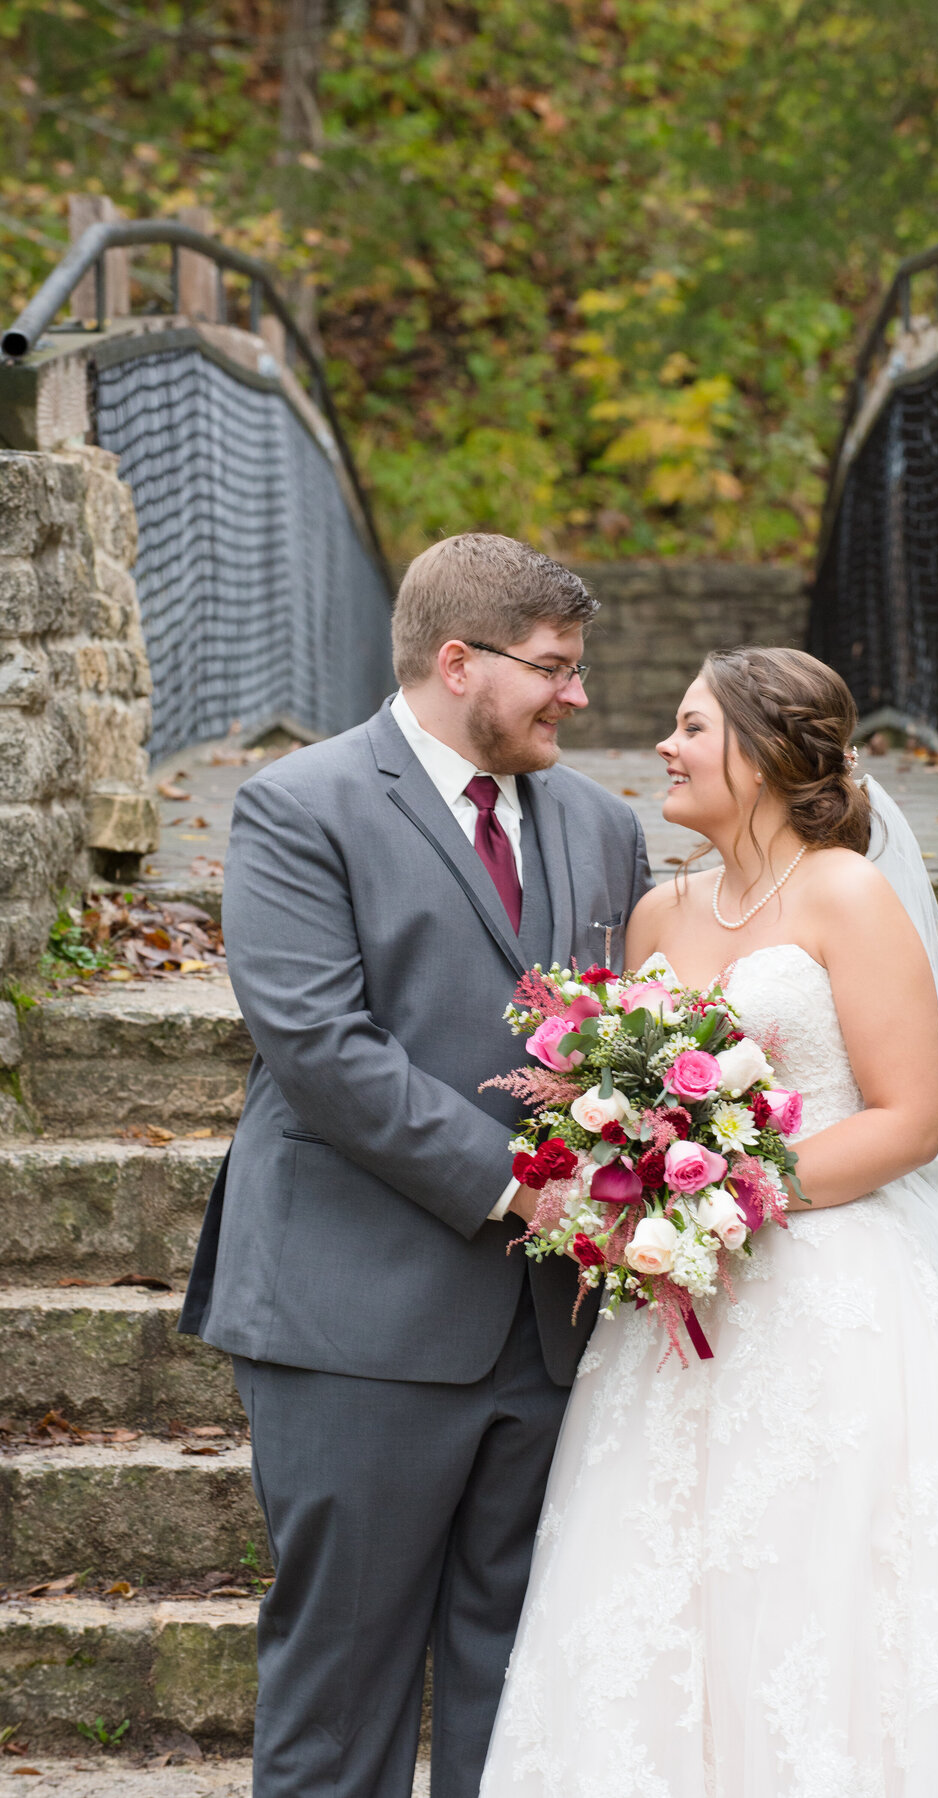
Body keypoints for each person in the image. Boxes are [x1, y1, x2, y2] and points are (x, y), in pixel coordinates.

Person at [479, 645, 938, 1797]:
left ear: (763, 755)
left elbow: (910, 1118)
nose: (665, 746)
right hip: (680, 1309)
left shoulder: (844, 893)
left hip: (830, 1291)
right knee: (668, 1591)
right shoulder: (658, 911)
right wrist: (644, 1191)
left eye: (691, 726)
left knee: (841, 1593)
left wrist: (729, 1193)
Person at [179, 533, 653, 1798]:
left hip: (551, 1328)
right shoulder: (302, 805)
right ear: (459, 662)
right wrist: (522, 1183)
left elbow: (632, 1040)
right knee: (345, 1678)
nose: (579, 696)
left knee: (524, 1681)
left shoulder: (605, 827)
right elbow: (322, 1049)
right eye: (553, 669)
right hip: (356, 1319)